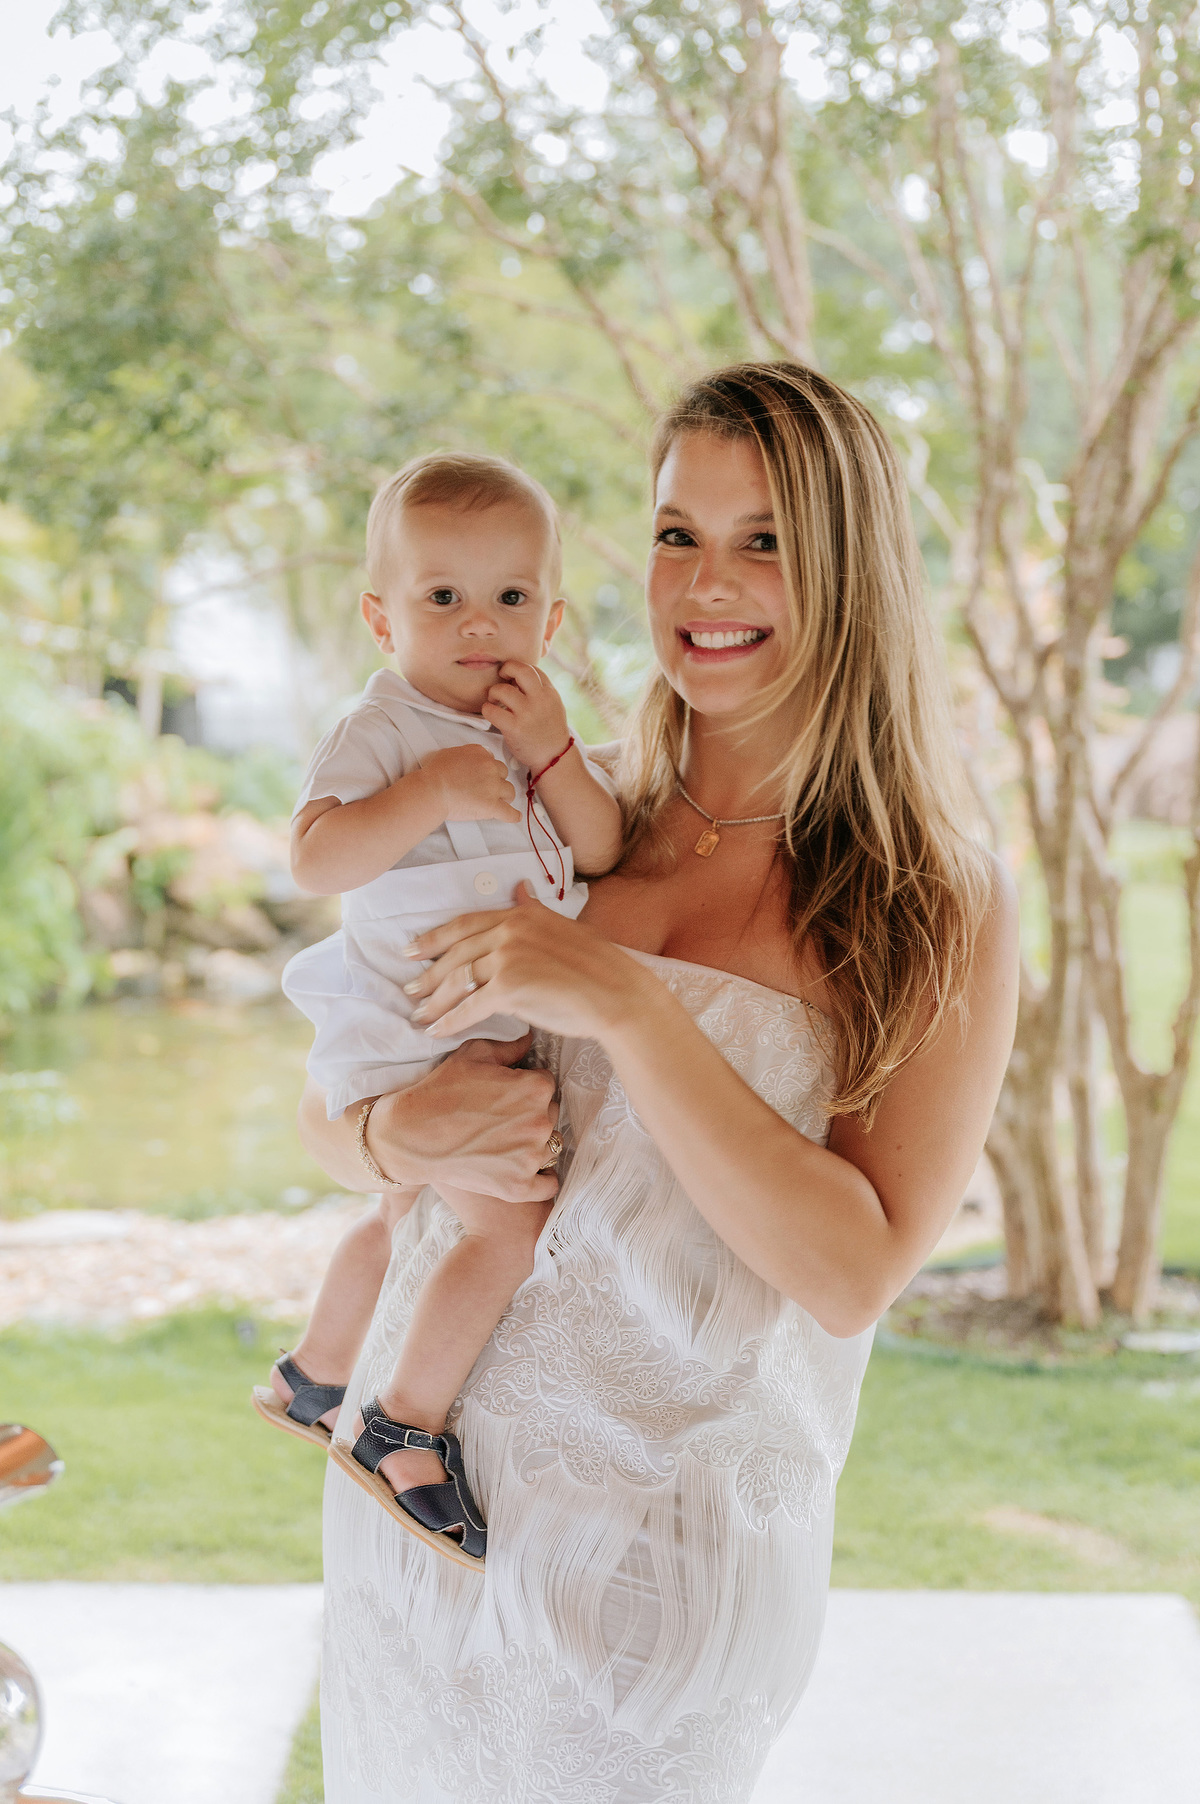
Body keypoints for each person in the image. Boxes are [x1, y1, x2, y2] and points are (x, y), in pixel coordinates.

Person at [297, 362, 1019, 1803]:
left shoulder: (929, 894)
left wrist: (622, 1000)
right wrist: (388, 1132)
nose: (706, 583)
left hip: (649, 1587)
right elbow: (340, 1087)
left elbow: (855, 1270)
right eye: (677, 533)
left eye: (765, 540)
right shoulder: (559, 807)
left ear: (854, 570)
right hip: (414, 1524)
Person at [253, 452, 622, 1565]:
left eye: (510, 597)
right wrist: (425, 794)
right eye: (443, 596)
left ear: (551, 617)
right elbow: (315, 860)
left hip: (467, 1028)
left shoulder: (531, 724)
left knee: (399, 1214)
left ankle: (314, 1372)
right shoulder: (383, 727)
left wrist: (554, 751)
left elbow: (600, 849)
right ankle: (400, 1423)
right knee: (507, 1227)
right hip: (408, 1029)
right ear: (382, 617)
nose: (479, 625)